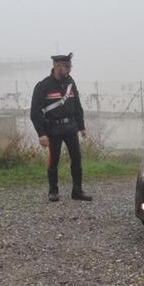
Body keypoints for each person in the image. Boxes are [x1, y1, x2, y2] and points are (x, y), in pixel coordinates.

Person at [30, 52, 92, 202]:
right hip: (53, 130)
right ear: (57, 67)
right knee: (54, 160)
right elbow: (35, 112)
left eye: (69, 67)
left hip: (71, 127)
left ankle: (77, 191)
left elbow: (77, 105)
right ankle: (53, 191)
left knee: (76, 158)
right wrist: (41, 134)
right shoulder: (43, 86)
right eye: (67, 67)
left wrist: (81, 126)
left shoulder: (70, 83)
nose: (69, 70)